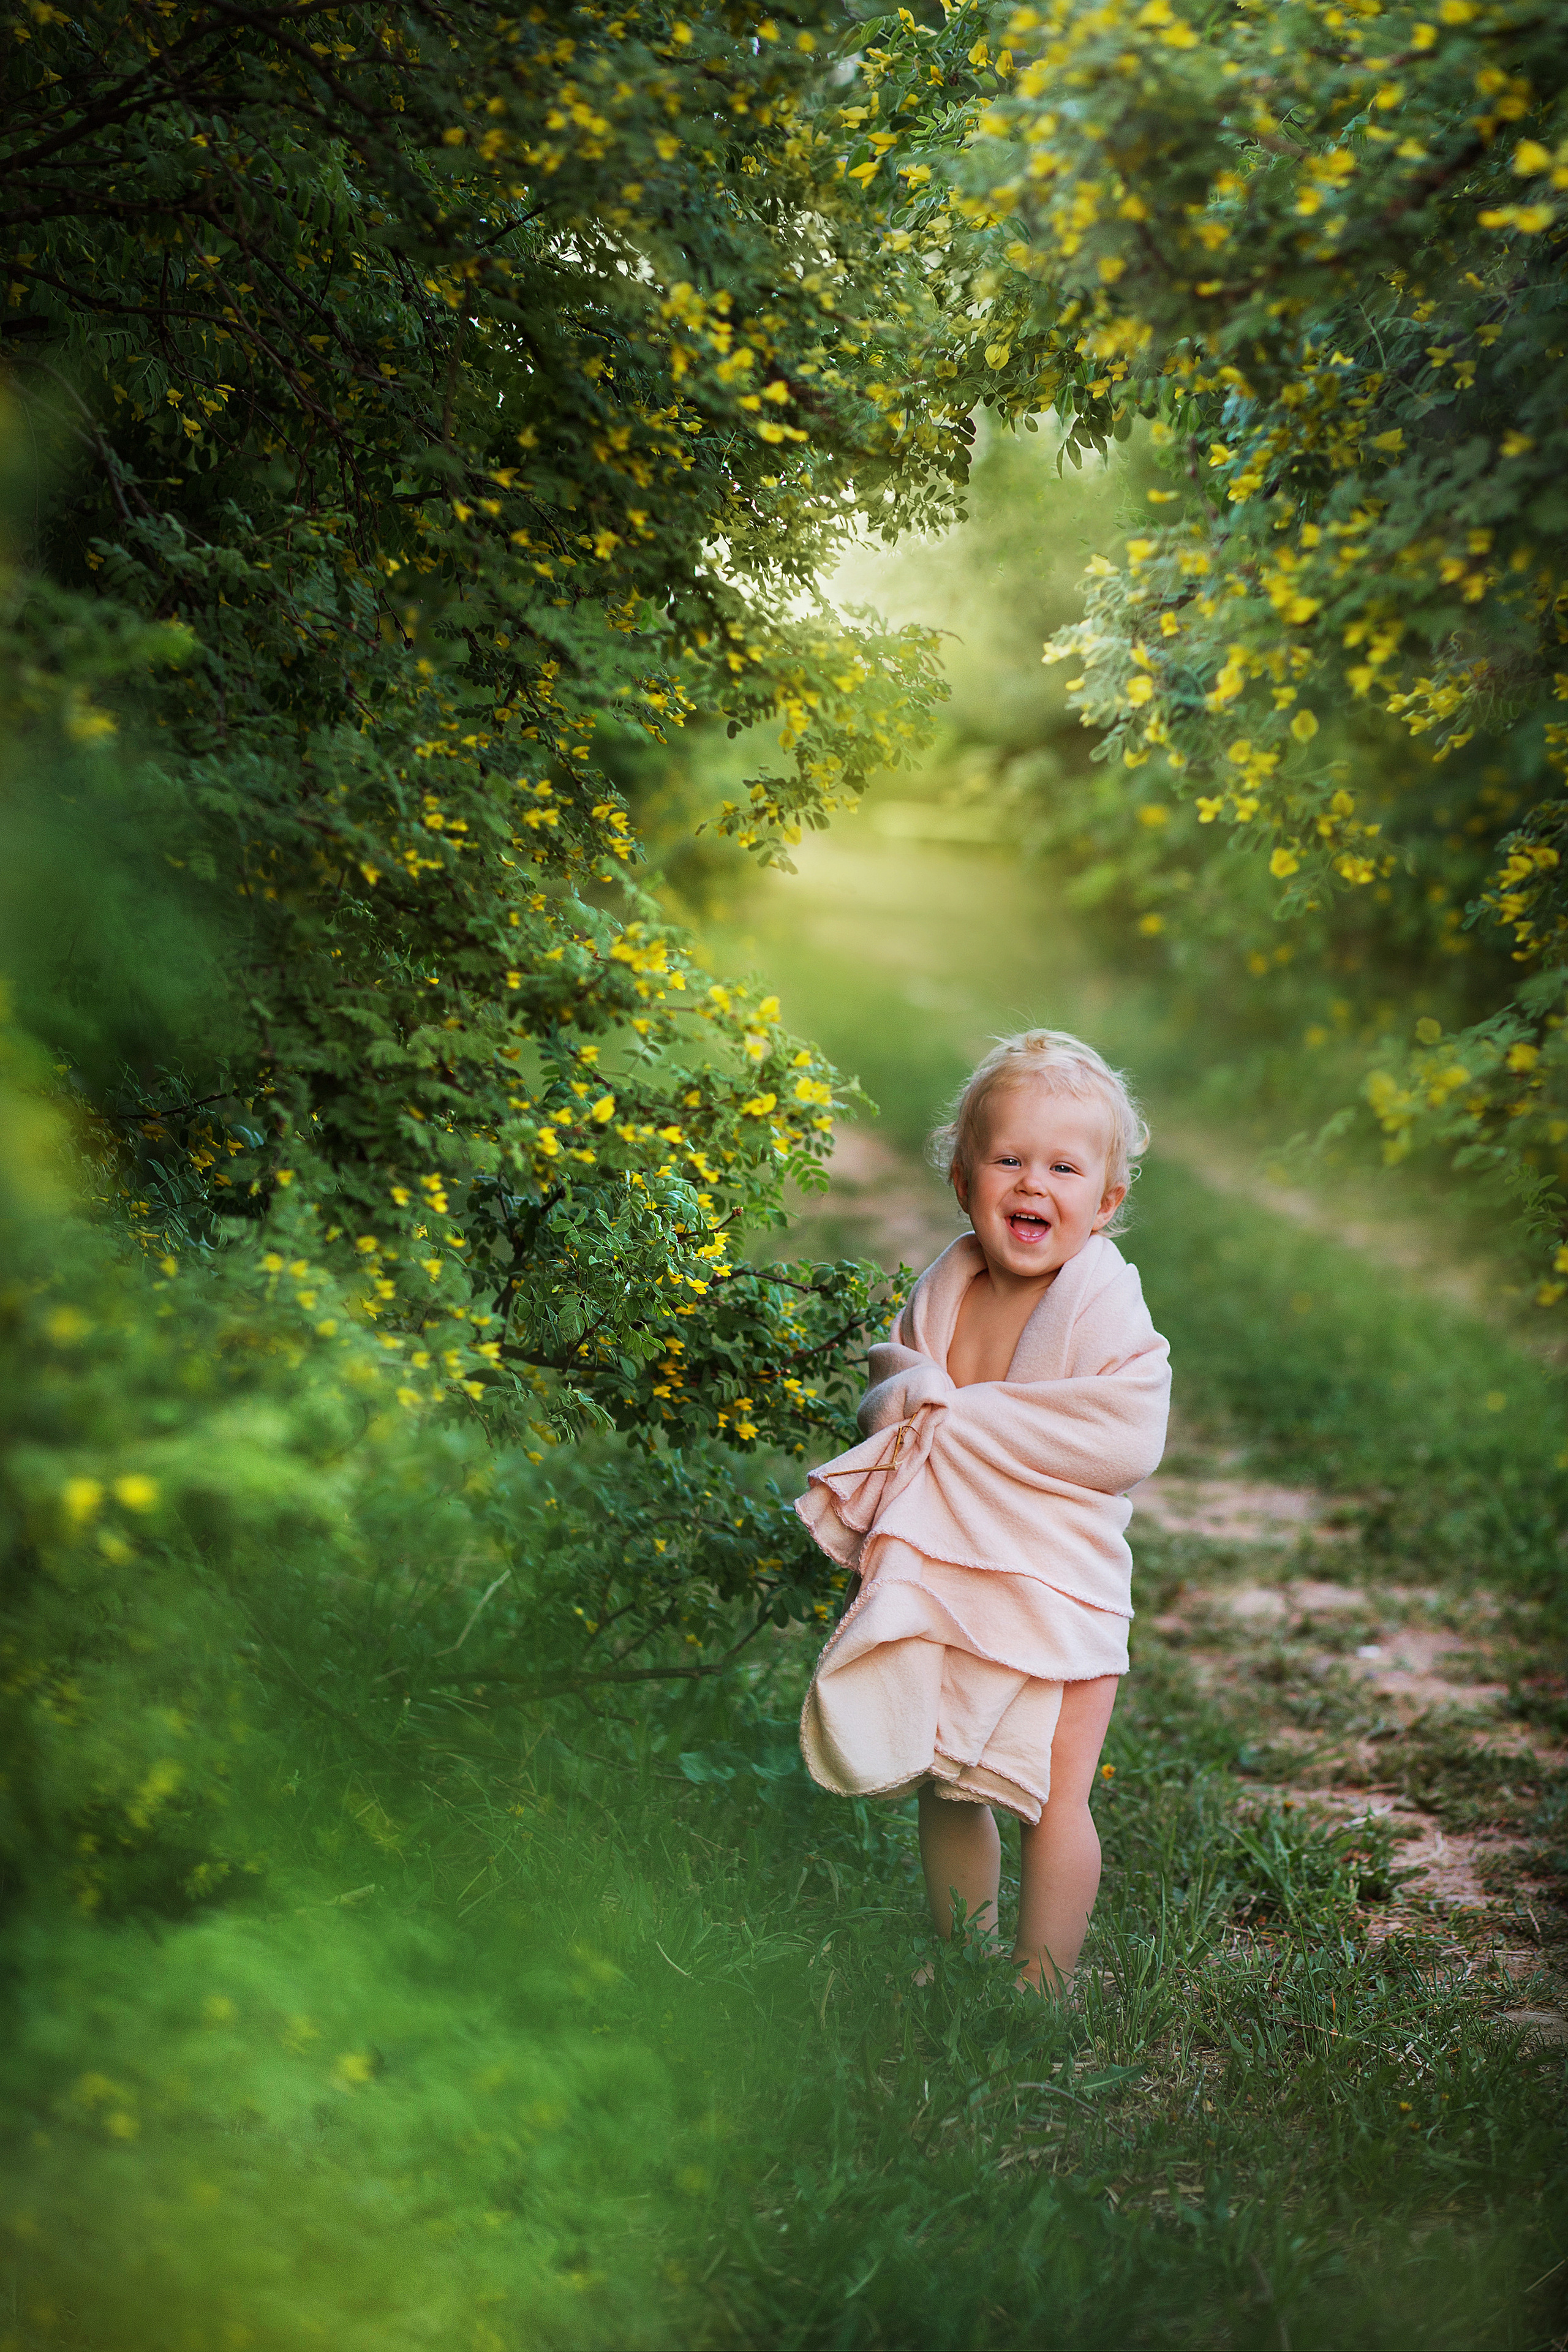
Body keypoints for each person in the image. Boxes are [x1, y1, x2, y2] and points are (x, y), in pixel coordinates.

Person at [795, 1028, 1170, 1993]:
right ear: (965, 1182)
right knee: (948, 1781)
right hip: (956, 1581)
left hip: (1062, 1588)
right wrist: (917, 1399)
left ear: (1105, 1201)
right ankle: (962, 1957)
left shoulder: (1104, 1306)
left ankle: (1042, 1984)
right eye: (1007, 1160)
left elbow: (1126, 1432)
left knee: (1053, 1795)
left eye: (1063, 1167)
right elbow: (896, 1386)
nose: (1032, 1183)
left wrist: (972, 1417)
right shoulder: (947, 1288)